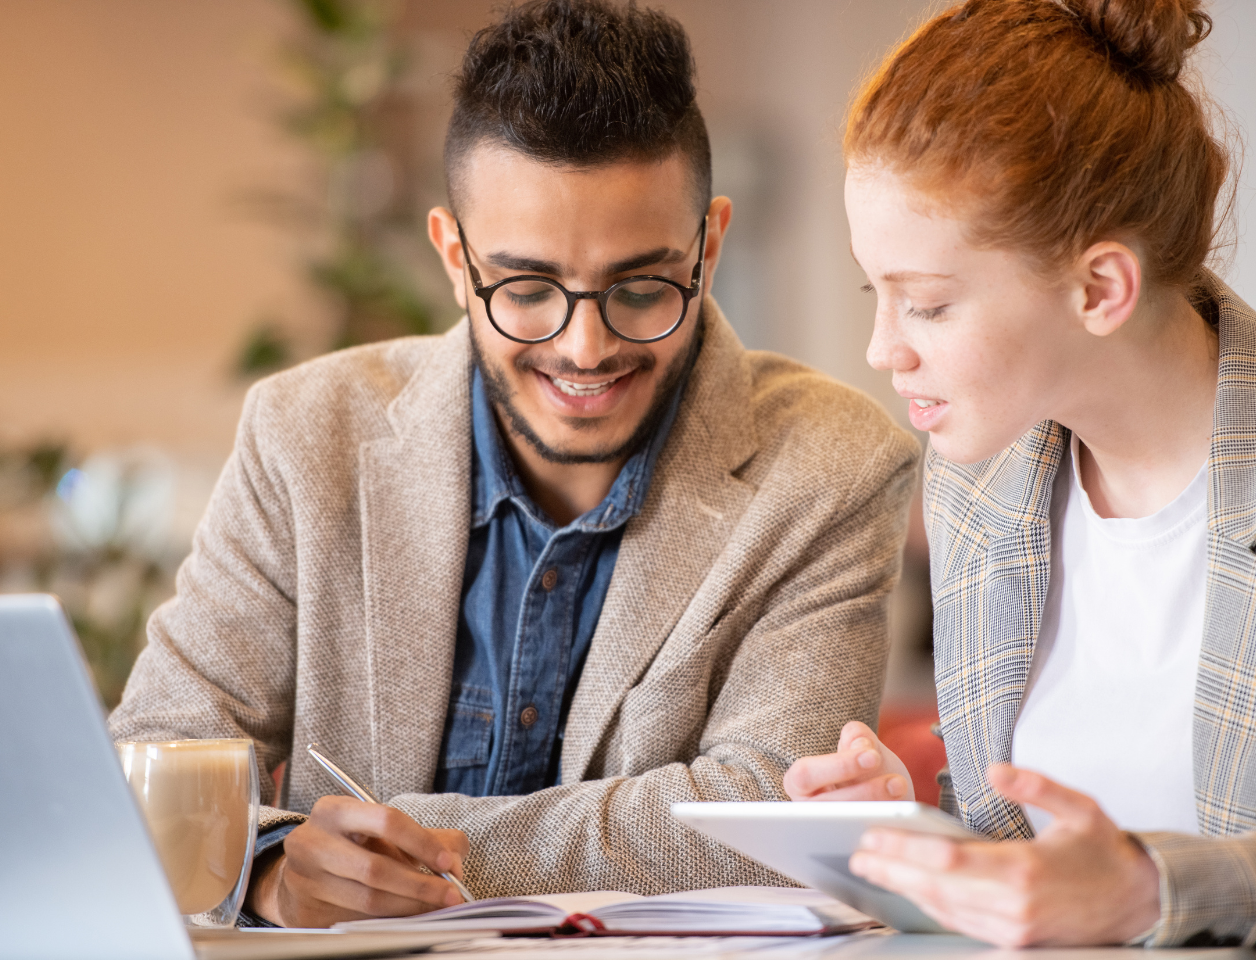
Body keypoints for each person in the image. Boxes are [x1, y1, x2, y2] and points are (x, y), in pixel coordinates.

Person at [108, 0, 918, 929]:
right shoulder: (305, 433)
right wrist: (267, 869)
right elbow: (157, 758)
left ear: (711, 245)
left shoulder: (832, 467)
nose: (583, 347)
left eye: (641, 286)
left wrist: (381, 841)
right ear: (455, 259)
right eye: (527, 289)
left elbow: (772, 815)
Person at [784, 0, 1256, 949]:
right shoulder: (982, 485)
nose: (883, 349)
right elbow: (1030, 860)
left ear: (1100, 289)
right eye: (873, 291)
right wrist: (916, 838)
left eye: (926, 305)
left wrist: (1149, 891)